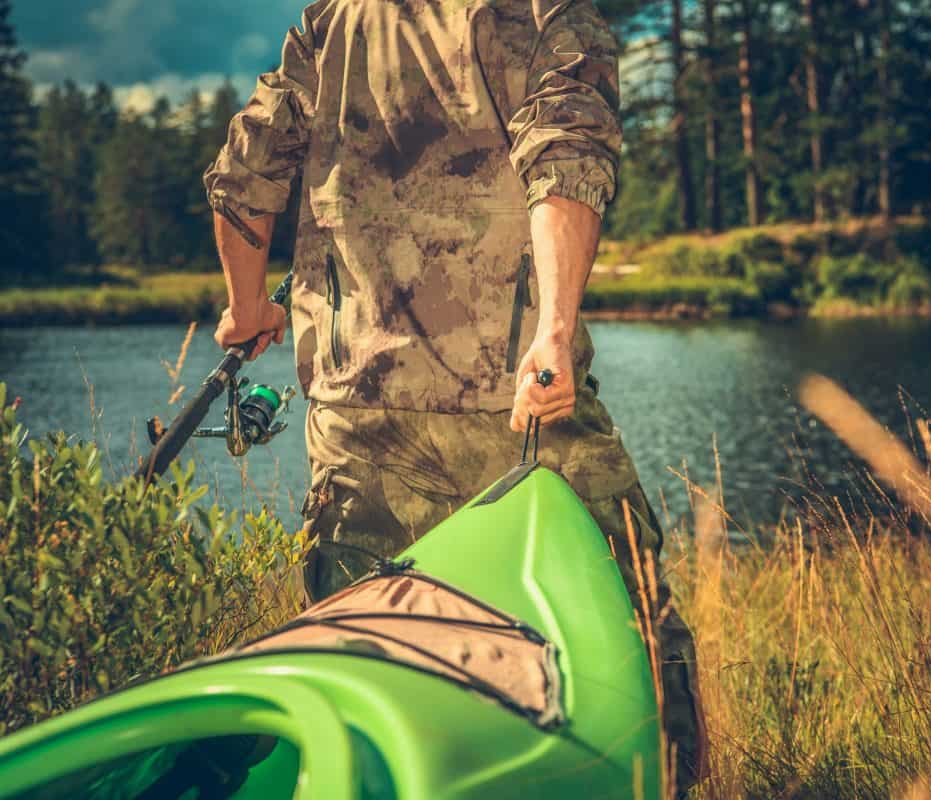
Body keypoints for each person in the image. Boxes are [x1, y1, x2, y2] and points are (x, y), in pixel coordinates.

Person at [202, 0, 705, 790]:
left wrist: (246, 305)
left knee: (369, 658)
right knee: (628, 626)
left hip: (353, 411)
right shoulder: (541, 10)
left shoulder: (332, 18)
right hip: (510, 406)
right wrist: (556, 330)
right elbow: (566, 149)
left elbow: (246, 166)